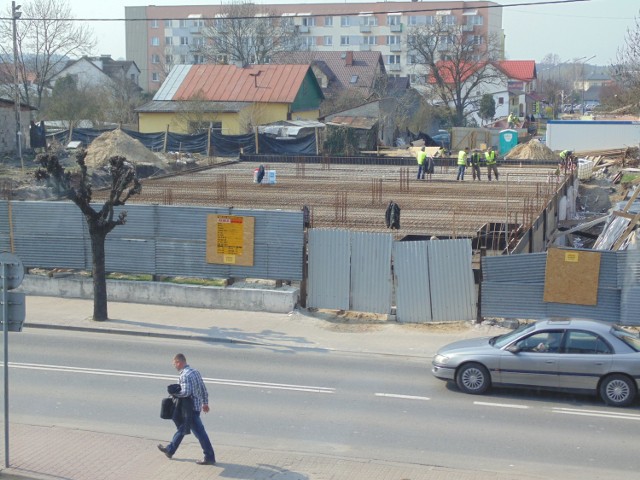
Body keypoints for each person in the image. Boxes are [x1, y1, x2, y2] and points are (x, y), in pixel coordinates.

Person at [158, 353, 216, 466]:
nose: (174, 366)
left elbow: (186, 392)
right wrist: (205, 403)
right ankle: (170, 450)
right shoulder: (195, 371)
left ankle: (209, 457)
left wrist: (174, 392)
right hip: (196, 406)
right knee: (183, 428)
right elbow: (203, 388)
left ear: (179, 362)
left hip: (190, 409)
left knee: (199, 433)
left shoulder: (184, 375)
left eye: (174, 363)